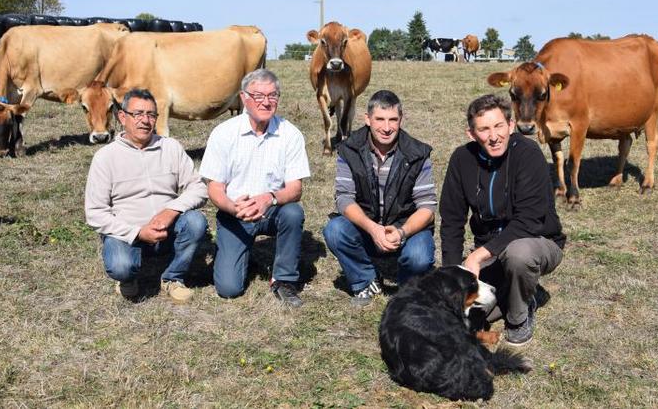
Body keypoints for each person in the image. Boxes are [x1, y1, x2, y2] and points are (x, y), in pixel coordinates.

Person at [439, 94, 565, 347]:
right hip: (490, 252)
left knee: (519, 254)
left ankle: (520, 313)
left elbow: (529, 220)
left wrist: (476, 257)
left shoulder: (528, 153)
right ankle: (511, 292)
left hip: (536, 242)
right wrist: (453, 275)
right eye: (484, 129)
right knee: (462, 315)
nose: (493, 136)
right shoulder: (461, 159)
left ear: (510, 125)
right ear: (471, 133)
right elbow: (452, 221)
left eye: (498, 126)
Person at [199, 68, 311, 307]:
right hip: (234, 213)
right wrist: (232, 207)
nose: (266, 102)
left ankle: (284, 279)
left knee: (293, 213)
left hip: (272, 210)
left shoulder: (290, 134)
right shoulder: (224, 133)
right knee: (229, 289)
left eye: (272, 96)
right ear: (243, 98)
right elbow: (214, 188)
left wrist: (268, 198)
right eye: (258, 95)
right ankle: (236, 255)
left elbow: (295, 189)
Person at [85, 88, 209, 303]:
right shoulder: (105, 157)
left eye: (151, 114)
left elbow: (199, 187)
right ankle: (128, 277)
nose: (145, 120)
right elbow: (95, 213)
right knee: (121, 266)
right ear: (122, 117)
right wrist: (138, 232)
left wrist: (171, 211)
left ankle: (173, 277)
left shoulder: (171, 147)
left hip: (166, 228)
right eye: (138, 114)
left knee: (196, 222)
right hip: (126, 232)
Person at [323, 90, 437, 307]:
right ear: (367, 119)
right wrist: (374, 229)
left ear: (401, 120)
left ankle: (407, 288)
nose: (386, 128)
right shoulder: (349, 150)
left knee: (420, 256)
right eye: (380, 119)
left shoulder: (418, 153)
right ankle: (365, 280)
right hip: (366, 227)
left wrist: (402, 232)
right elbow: (344, 199)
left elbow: (427, 206)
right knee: (335, 230)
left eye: (393, 120)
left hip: (406, 228)